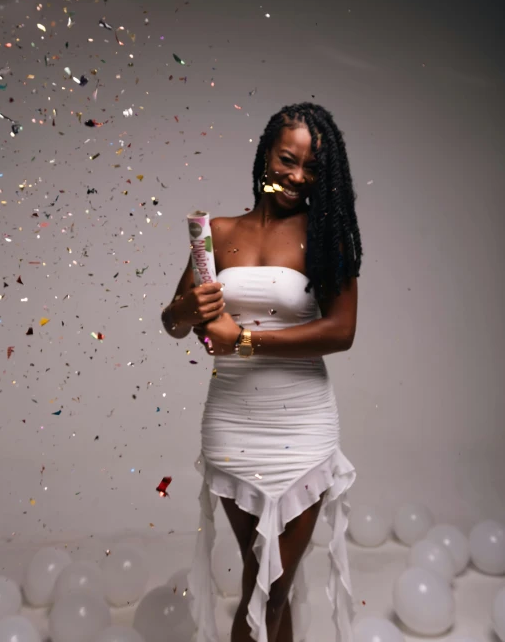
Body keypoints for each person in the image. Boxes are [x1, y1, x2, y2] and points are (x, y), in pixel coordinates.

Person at [161, 102, 362, 642]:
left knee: (269, 585)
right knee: (266, 575)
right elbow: (177, 323)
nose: (297, 176)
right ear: (266, 154)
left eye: (312, 168)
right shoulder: (217, 231)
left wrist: (244, 340)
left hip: (301, 429)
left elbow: (341, 331)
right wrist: (190, 308)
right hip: (232, 425)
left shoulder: (326, 238)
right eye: (287, 159)